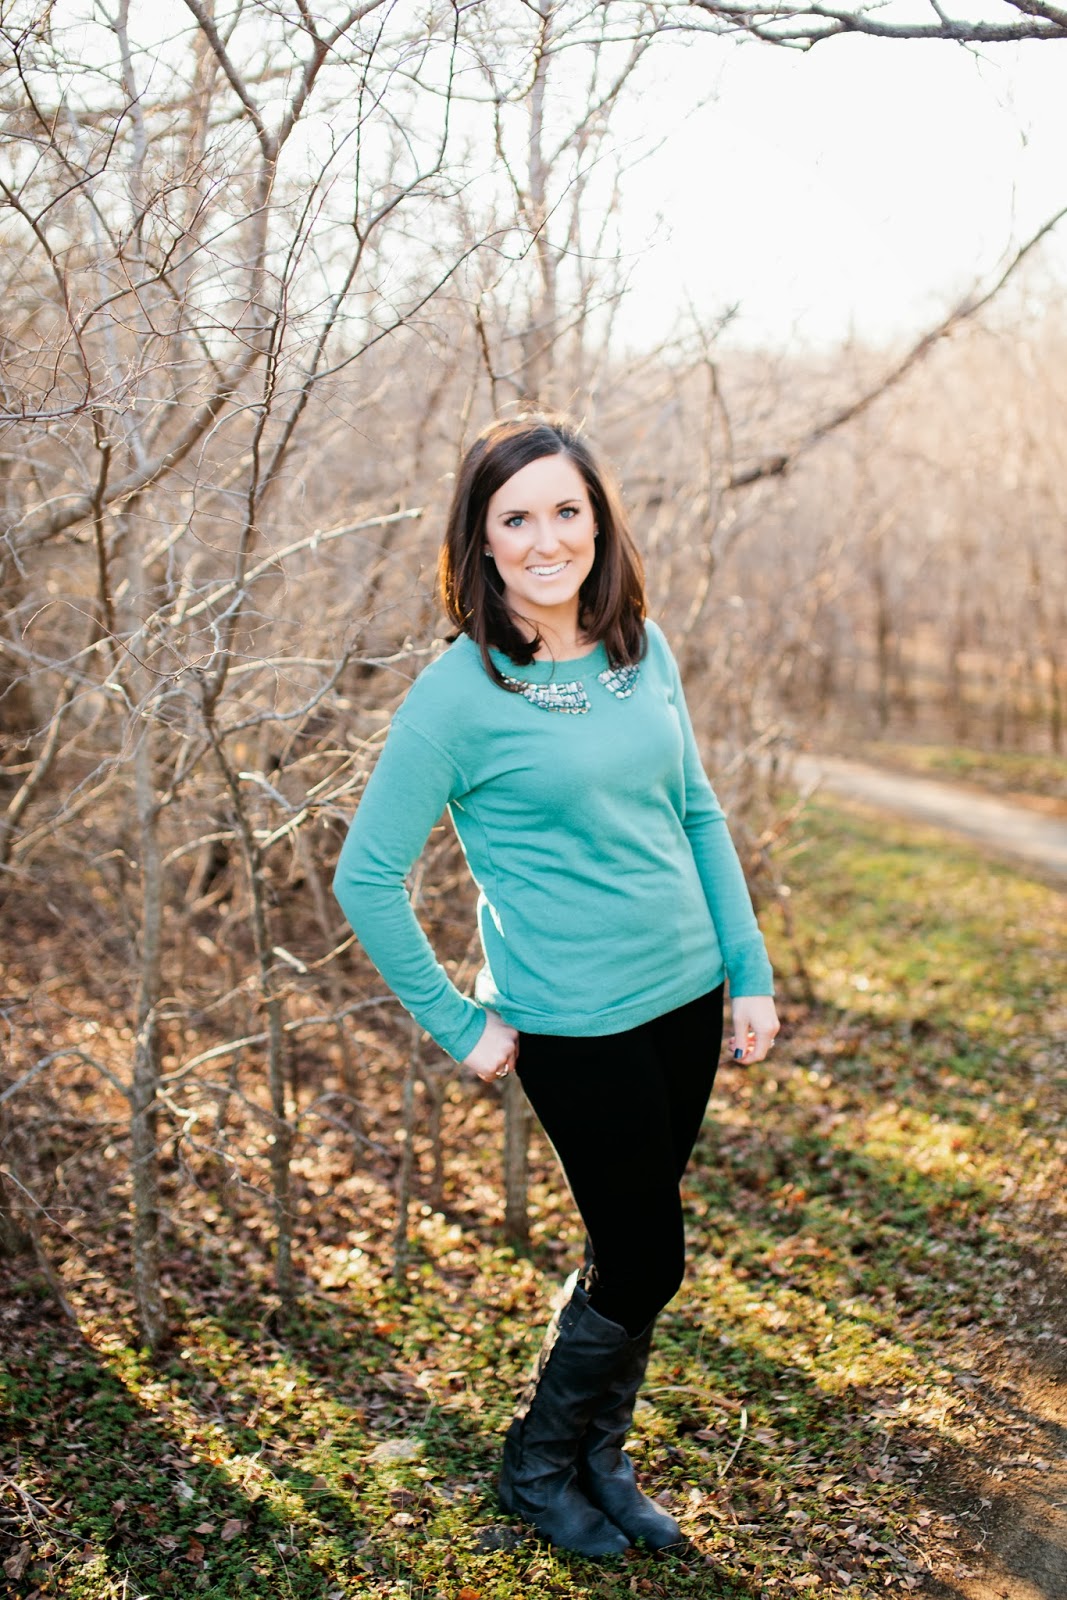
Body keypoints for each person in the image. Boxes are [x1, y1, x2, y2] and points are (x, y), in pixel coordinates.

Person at [332, 414, 779, 1558]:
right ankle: (536, 1467)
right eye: (516, 518)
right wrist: (455, 1022)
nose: (546, 539)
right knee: (648, 1255)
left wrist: (747, 969)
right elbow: (365, 876)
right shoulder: (457, 693)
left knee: (628, 1250)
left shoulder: (641, 649)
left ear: (597, 521)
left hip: (684, 998)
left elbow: (696, 812)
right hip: (574, 1024)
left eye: (565, 511)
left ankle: (598, 1464)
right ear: (480, 542)